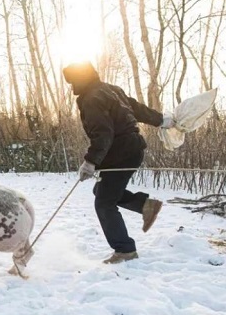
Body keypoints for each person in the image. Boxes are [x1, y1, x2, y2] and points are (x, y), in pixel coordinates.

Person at [62, 61, 175, 264]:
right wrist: (161, 120)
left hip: (120, 153)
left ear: (80, 79)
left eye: (72, 82)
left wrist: (90, 161)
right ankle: (145, 205)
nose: (72, 87)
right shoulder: (111, 90)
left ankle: (125, 250)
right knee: (102, 191)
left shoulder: (92, 98)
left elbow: (103, 134)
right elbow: (137, 109)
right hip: (131, 150)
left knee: (104, 202)